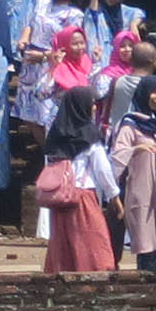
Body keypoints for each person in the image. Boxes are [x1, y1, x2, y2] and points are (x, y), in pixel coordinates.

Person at [34, 85, 120, 274]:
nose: (95, 107)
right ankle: (95, 280)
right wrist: (114, 196)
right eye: (91, 104)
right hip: (83, 197)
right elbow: (103, 170)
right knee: (94, 244)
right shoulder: (90, 135)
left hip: (61, 197)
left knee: (64, 246)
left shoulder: (56, 134)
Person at [108, 81, 156, 273]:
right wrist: (136, 149)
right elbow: (116, 156)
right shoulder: (130, 124)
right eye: (154, 92)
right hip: (141, 191)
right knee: (146, 243)